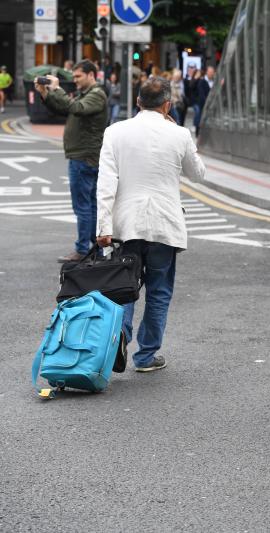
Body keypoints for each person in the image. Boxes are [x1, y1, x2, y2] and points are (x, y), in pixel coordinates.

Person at [96, 76, 206, 372]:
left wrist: (103, 228)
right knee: (158, 292)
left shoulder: (115, 131)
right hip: (164, 226)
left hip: (127, 225)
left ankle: (118, 339)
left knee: (123, 286)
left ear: (138, 102)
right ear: (167, 104)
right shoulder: (179, 133)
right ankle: (145, 356)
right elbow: (198, 174)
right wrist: (179, 133)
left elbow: (106, 182)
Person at [36, 59, 108, 263]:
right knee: (90, 205)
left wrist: (56, 89)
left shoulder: (96, 95)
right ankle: (94, 247)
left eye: (78, 76)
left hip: (84, 157)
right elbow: (64, 108)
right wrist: (45, 93)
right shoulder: (87, 94)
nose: (75, 80)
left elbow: (76, 108)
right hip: (84, 156)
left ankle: (82, 249)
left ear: (91, 75)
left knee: (83, 206)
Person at [195, 66, 215, 136]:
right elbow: (201, 94)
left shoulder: (214, 81)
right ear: (207, 72)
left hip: (211, 104)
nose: (211, 74)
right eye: (210, 72)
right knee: (200, 117)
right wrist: (206, 103)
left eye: (212, 72)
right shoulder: (202, 81)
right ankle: (198, 132)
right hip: (203, 104)